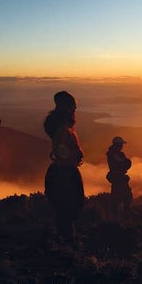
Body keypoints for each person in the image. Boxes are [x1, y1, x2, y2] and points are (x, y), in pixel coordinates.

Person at [43, 91, 84, 245]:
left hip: (63, 170)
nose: (75, 110)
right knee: (68, 206)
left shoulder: (62, 128)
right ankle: (67, 240)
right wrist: (75, 156)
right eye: (73, 107)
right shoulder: (63, 130)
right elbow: (61, 151)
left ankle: (66, 238)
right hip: (65, 172)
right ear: (67, 109)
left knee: (66, 206)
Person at [106, 136, 132, 219]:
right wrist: (125, 164)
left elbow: (127, 163)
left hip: (118, 178)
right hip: (118, 179)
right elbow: (127, 163)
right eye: (121, 144)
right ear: (117, 145)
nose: (122, 146)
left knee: (124, 197)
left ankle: (120, 215)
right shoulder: (113, 154)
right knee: (120, 198)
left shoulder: (114, 154)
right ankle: (119, 216)